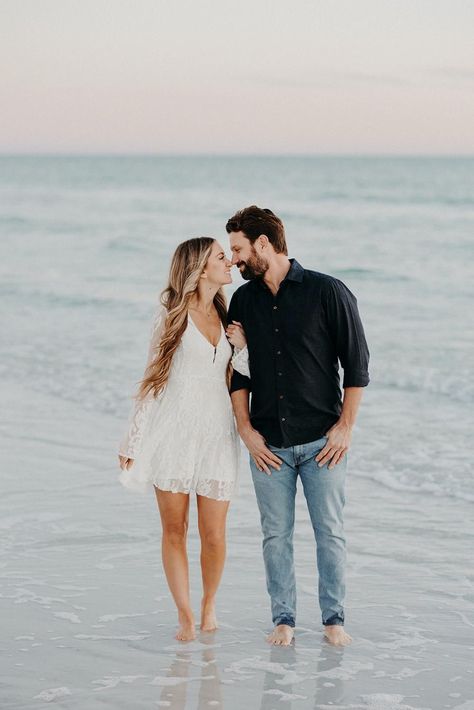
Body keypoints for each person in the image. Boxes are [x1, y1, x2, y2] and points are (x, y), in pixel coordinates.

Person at [225, 206, 370, 647]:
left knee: (330, 531)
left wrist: (345, 427)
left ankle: (333, 620)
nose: (233, 259)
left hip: (323, 441)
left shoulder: (328, 291)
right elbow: (238, 371)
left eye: (237, 249)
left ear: (263, 244)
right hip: (268, 443)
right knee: (275, 535)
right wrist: (245, 430)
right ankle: (283, 619)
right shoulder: (244, 301)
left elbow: (357, 366)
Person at [118, 237, 247, 642]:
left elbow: (243, 374)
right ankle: (185, 615)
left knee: (215, 533)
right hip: (173, 432)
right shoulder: (171, 316)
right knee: (175, 529)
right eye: (221, 256)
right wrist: (133, 440)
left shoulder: (229, 314)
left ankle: (209, 605)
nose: (229, 262)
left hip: (217, 434)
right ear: (199, 267)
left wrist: (242, 347)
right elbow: (152, 382)